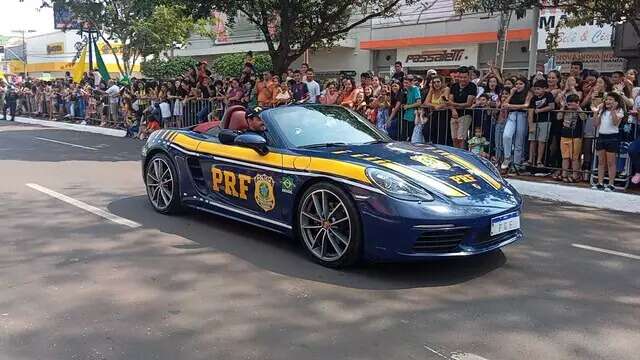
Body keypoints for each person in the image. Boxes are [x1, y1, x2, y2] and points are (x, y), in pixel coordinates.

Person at [593, 92, 625, 191]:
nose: (608, 101)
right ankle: (600, 182)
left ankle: (611, 184)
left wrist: (612, 110)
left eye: (611, 99)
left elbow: (615, 123)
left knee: (611, 162)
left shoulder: (619, 111)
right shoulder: (602, 110)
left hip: (612, 137)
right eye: (607, 99)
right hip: (601, 136)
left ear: (616, 102)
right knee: (601, 161)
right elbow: (595, 124)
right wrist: (595, 112)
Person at [501, 77, 532, 171]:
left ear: (525, 85)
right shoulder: (513, 92)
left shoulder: (529, 93)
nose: (518, 86)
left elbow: (526, 105)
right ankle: (507, 157)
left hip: (522, 115)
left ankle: (517, 164)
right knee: (506, 135)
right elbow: (504, 104)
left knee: (519, 141)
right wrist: (511, 94)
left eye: (520, 84)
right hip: (512, 115)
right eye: (517, 84)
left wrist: (511, 106)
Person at [558, 94, 587, 182]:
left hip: (576, 137)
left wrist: (578, 108)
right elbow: (559, 117)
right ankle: (564, 174)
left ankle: (575, 175)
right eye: (569, 103)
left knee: (575, 158)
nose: (570, 105)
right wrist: (563, 107)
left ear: (577, 103)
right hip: (564, 135)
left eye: (573, 103)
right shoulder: (565, 110)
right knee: (565, 157)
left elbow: (584, 117)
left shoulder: (579, 110)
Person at [527, 80, 555, 167]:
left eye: (538, 89)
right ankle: (530, 159)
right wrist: (530, 125)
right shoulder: (533, 98)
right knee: (532, 140)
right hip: (535, 121)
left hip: (545, 121)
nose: (536, 91)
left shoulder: (548, 95)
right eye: (535, 89)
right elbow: (530, 112)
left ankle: (539, 160)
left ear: (544, 89)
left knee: (542, 141)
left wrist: (540, 110)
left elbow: (551, 106)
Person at [448, 66, 477, 148]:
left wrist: (454, 104)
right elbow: (450, 101)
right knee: (454, 138)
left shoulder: (472, 86)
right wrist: (453, 110)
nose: (462, 79)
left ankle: (462, 156)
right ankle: (455, 155)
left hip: (465, 115)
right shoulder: (454, 86)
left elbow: (468, 103)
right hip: (453, 115)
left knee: (461, 138)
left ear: (469, 76)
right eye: (461, 77)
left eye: (465, 77)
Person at [423, 75, 450, 145]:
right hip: (434, 114)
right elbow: (426, 103)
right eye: (434, 82)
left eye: (438, 82)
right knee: (426, 130)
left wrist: (433, 106)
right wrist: (431, 89)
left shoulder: (446, 89)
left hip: (443, 114)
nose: (436, 84)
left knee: (441, 134)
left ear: (441, 82)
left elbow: (444, 103)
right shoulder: (432, 91)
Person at [402, 75, 422, 141]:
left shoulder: (415, 89)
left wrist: (408, 106)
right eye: (404, 82)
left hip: (413, 115)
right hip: (406, 115)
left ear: (412, 82)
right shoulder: (407, 90)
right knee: (404, 135)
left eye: (407, 83)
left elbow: (419, 102)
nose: (405, 84)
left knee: (411, 135)